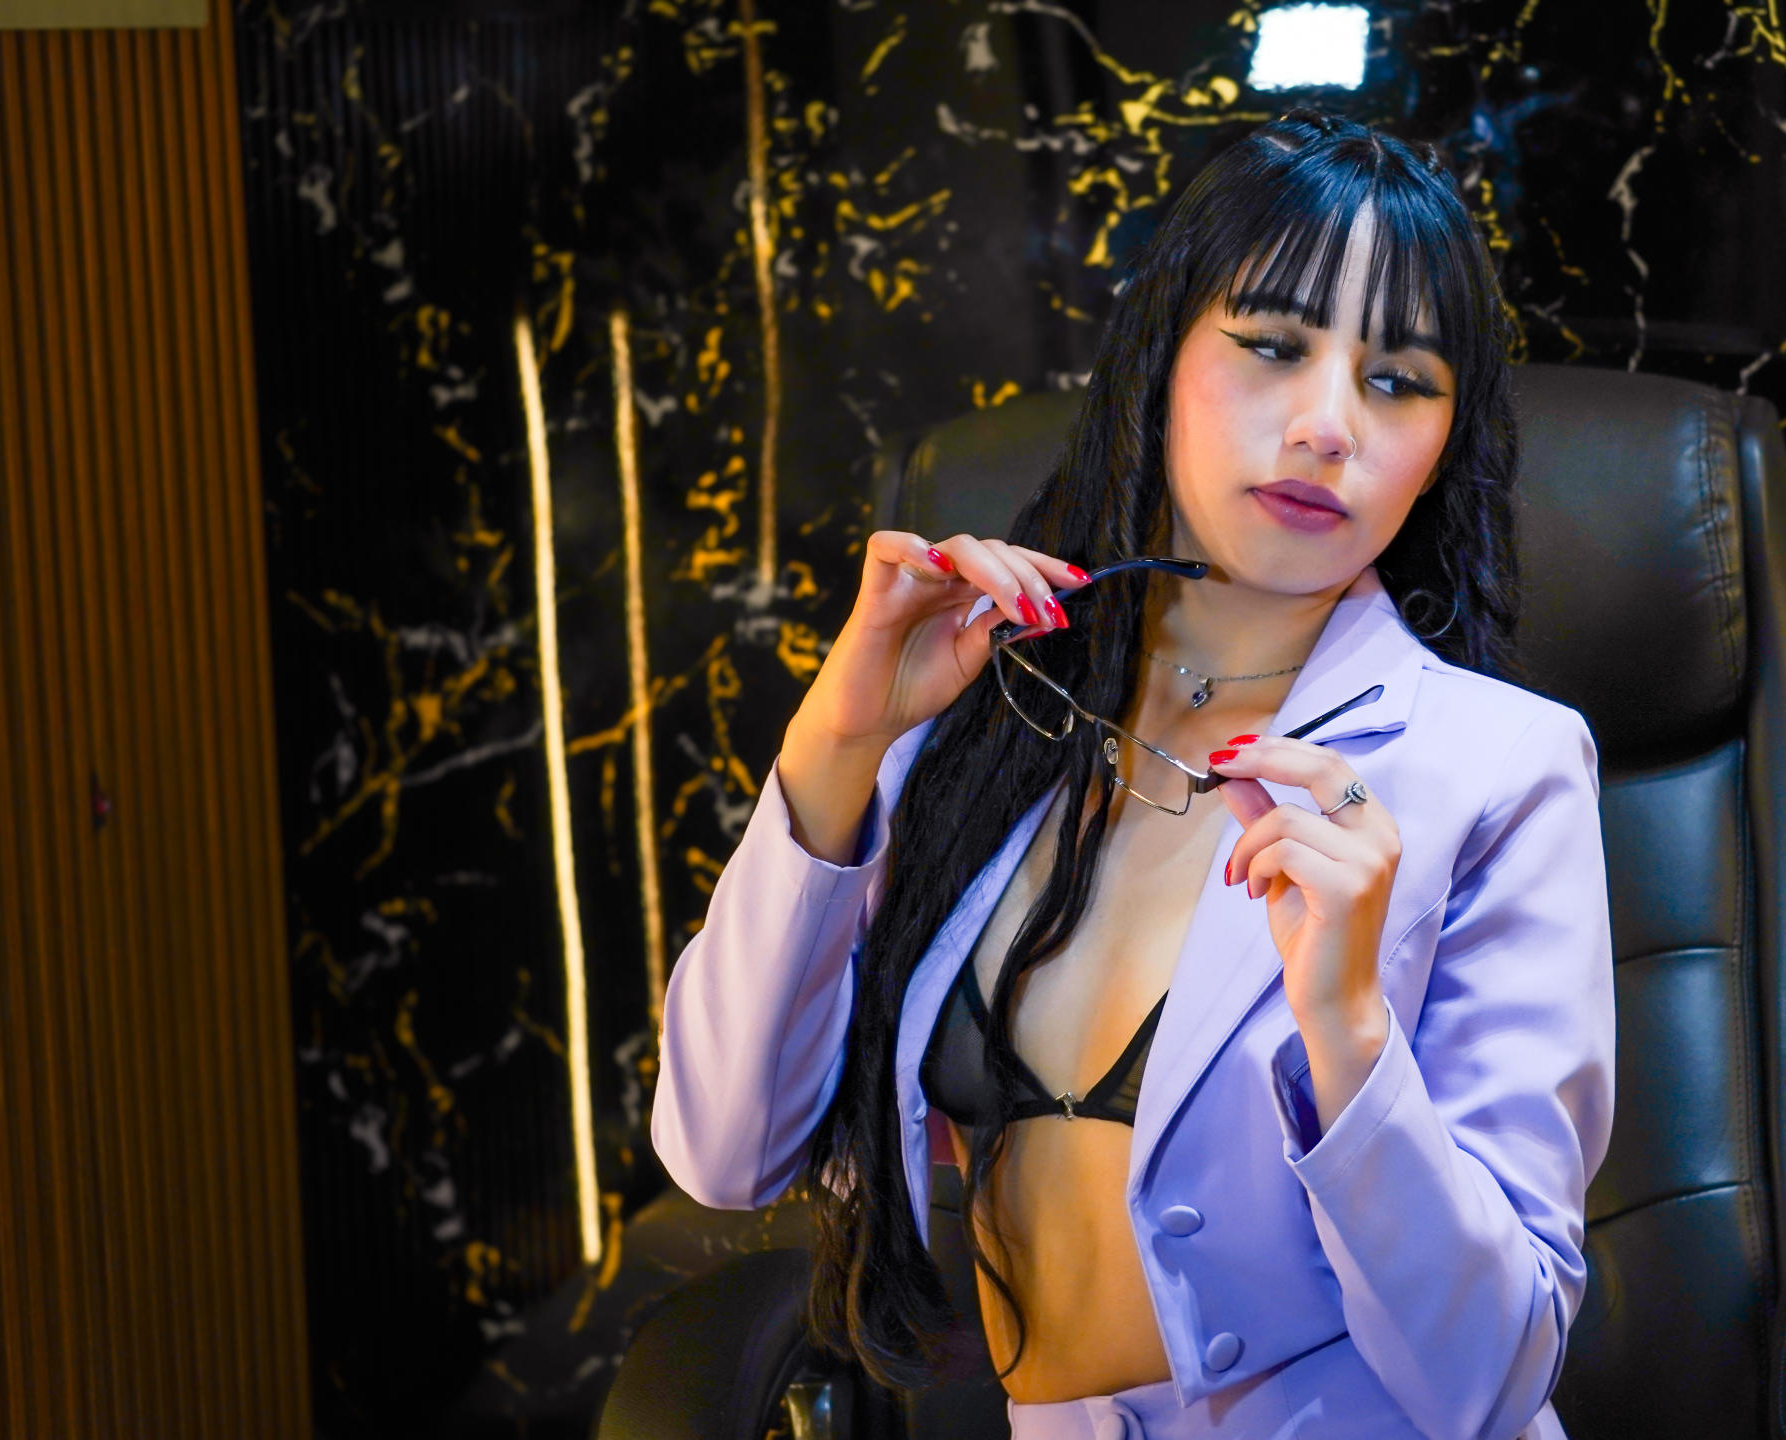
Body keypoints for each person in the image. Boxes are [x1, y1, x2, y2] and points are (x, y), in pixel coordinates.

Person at [651, 109, 1614, 1440]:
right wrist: (838, 742)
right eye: (1273, 346)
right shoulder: (990, 714)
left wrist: (1348, 1033)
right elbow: (726, 1147)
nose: (1329, 427)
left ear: (1447, 437)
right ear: (1163, 353)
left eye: (1400, 381)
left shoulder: (1500, 765)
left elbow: (1496, 1372)